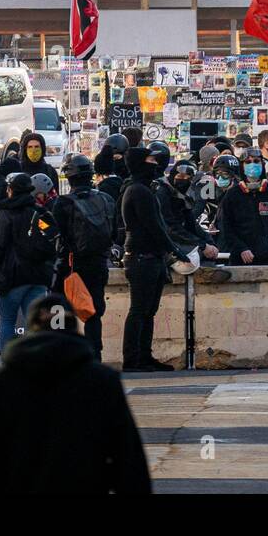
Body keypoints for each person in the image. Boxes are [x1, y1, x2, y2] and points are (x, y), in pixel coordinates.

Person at [0, 294, 150, 494]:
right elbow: (129, 460)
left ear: (30, 329)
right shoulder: (102, 380)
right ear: (73, 327)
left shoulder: (0, 381)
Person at [119, 144, 183, 372]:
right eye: (150, 161)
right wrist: (174, 249)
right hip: (141, 257)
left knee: (149, 310)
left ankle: (144, 357)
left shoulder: (145, 189)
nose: (155, 165)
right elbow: (154, 226)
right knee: (139, 309)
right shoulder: (138, 191)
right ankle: (133, 359)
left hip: (151, 256)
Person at [0, 172, 55, 350]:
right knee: (34, 325)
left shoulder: (5, 215)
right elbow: (52, 236)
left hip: (11, 277)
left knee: (7, 322)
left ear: (11, 190)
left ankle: (10, 365)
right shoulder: (39, 214)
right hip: (37, 276)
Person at [52, 153, 116, 360]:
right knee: (94, 311)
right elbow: (114, 232)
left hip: (70, 265)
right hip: (98, 263)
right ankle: (94, 354)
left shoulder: (63, 203)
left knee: (60, 307)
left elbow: (57, 235)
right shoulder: (106, 199)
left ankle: (62, 352)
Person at [217, 151, 268, 266]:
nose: (252, 165)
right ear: (242, 166)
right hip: (241, 259)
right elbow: (227, 228)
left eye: (256, 161)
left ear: (262, 164)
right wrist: (241, 249)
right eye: (248, 162)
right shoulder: (232, 194)